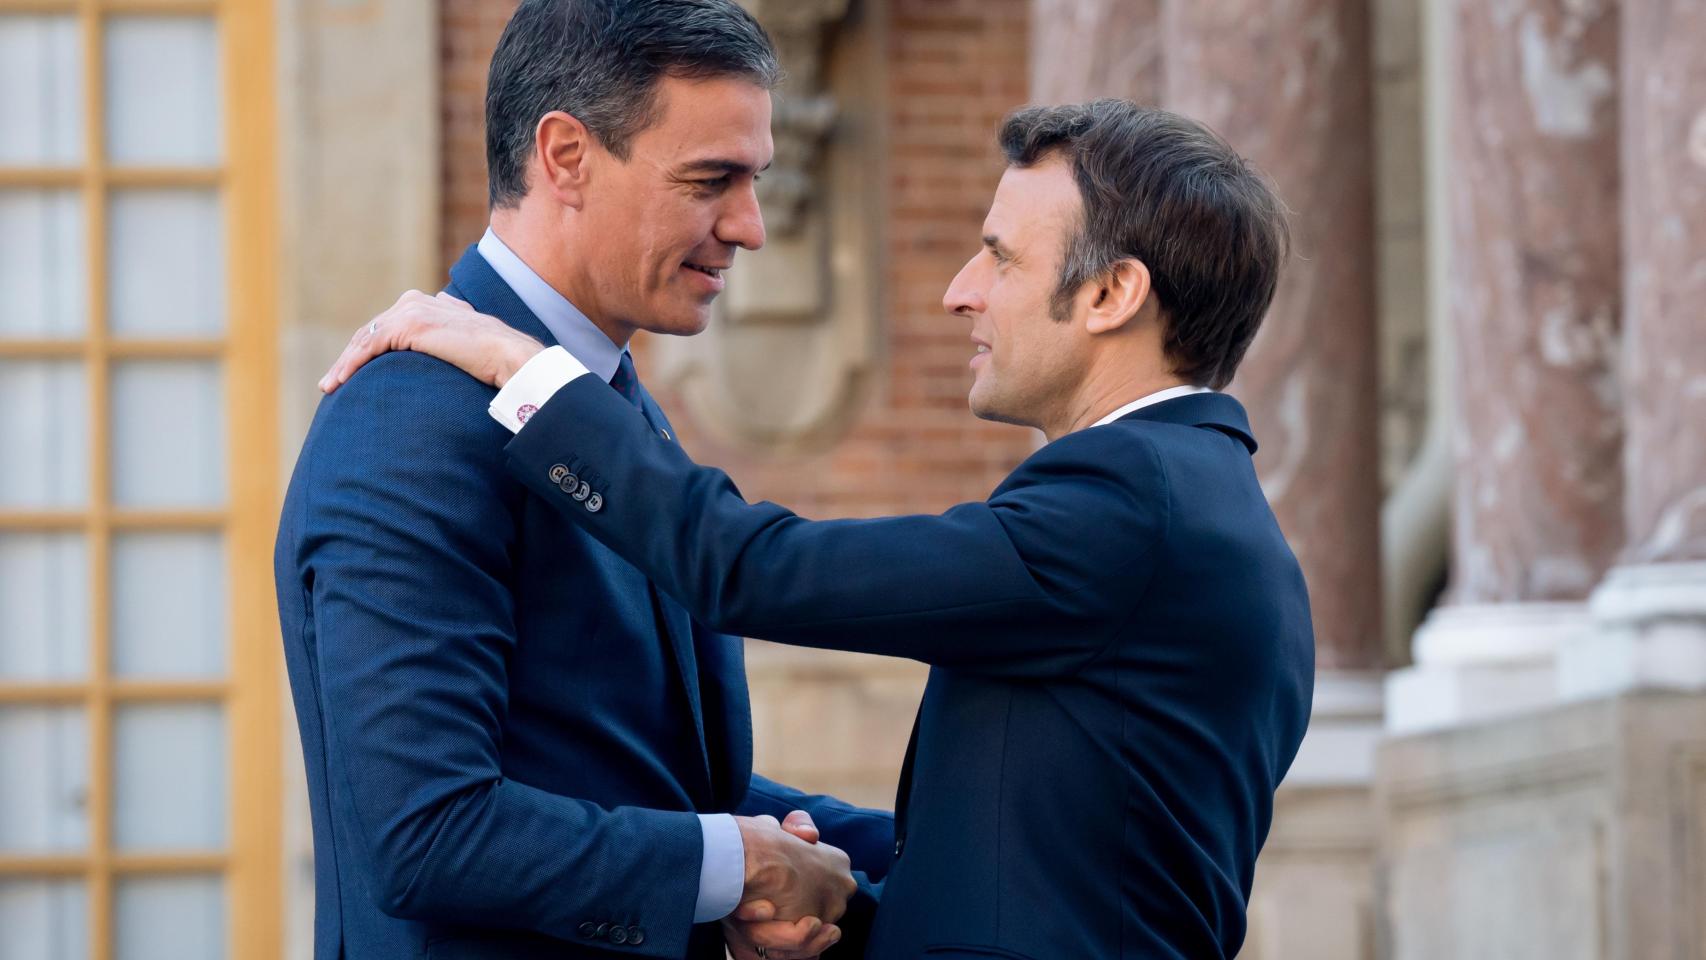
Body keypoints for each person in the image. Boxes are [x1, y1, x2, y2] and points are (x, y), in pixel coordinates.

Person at [327, 99, 1316, 959]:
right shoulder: (1188, 504)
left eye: (1000, 257)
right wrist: (787, 873)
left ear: (1110, 295)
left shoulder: (1127, 512)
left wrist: (532, 374)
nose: (958, 289)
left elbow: (750, 568)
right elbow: (1028, 867)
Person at [277, 3, 892, 958]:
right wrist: (737, 862)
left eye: (754, 179)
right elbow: (427, 833)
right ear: (564, 155)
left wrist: (949, 859)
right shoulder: (409, 422)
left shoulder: (610, 404)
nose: (752, 226)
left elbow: (646, 773)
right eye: (710, 180)